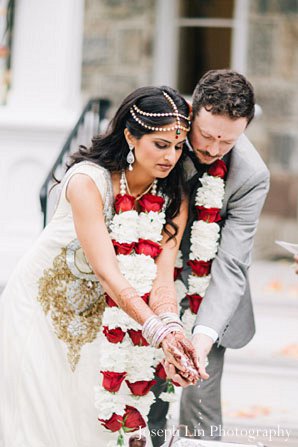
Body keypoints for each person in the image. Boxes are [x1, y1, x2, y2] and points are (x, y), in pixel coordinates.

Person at [0, 86, 200, 447]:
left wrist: (172, 327)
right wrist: (158, 331)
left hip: (97, 318)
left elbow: (162, 277)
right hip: (41, 310)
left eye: (177, 145)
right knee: (39, 421)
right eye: (160, 144)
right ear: (130, 136)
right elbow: (108, 272)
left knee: (89, 421)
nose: (171, 156)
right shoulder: (86, 181)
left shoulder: (173, 197)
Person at [153, 70, 270, 445]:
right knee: (138, 393)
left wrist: (200, 339)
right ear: (192, 113)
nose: (214, 149)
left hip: (209, 298)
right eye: (206, 135)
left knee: (201, 408)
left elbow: (233, 262)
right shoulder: (160, 139)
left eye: (228, 140)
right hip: (147, 279)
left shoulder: (252, 176)